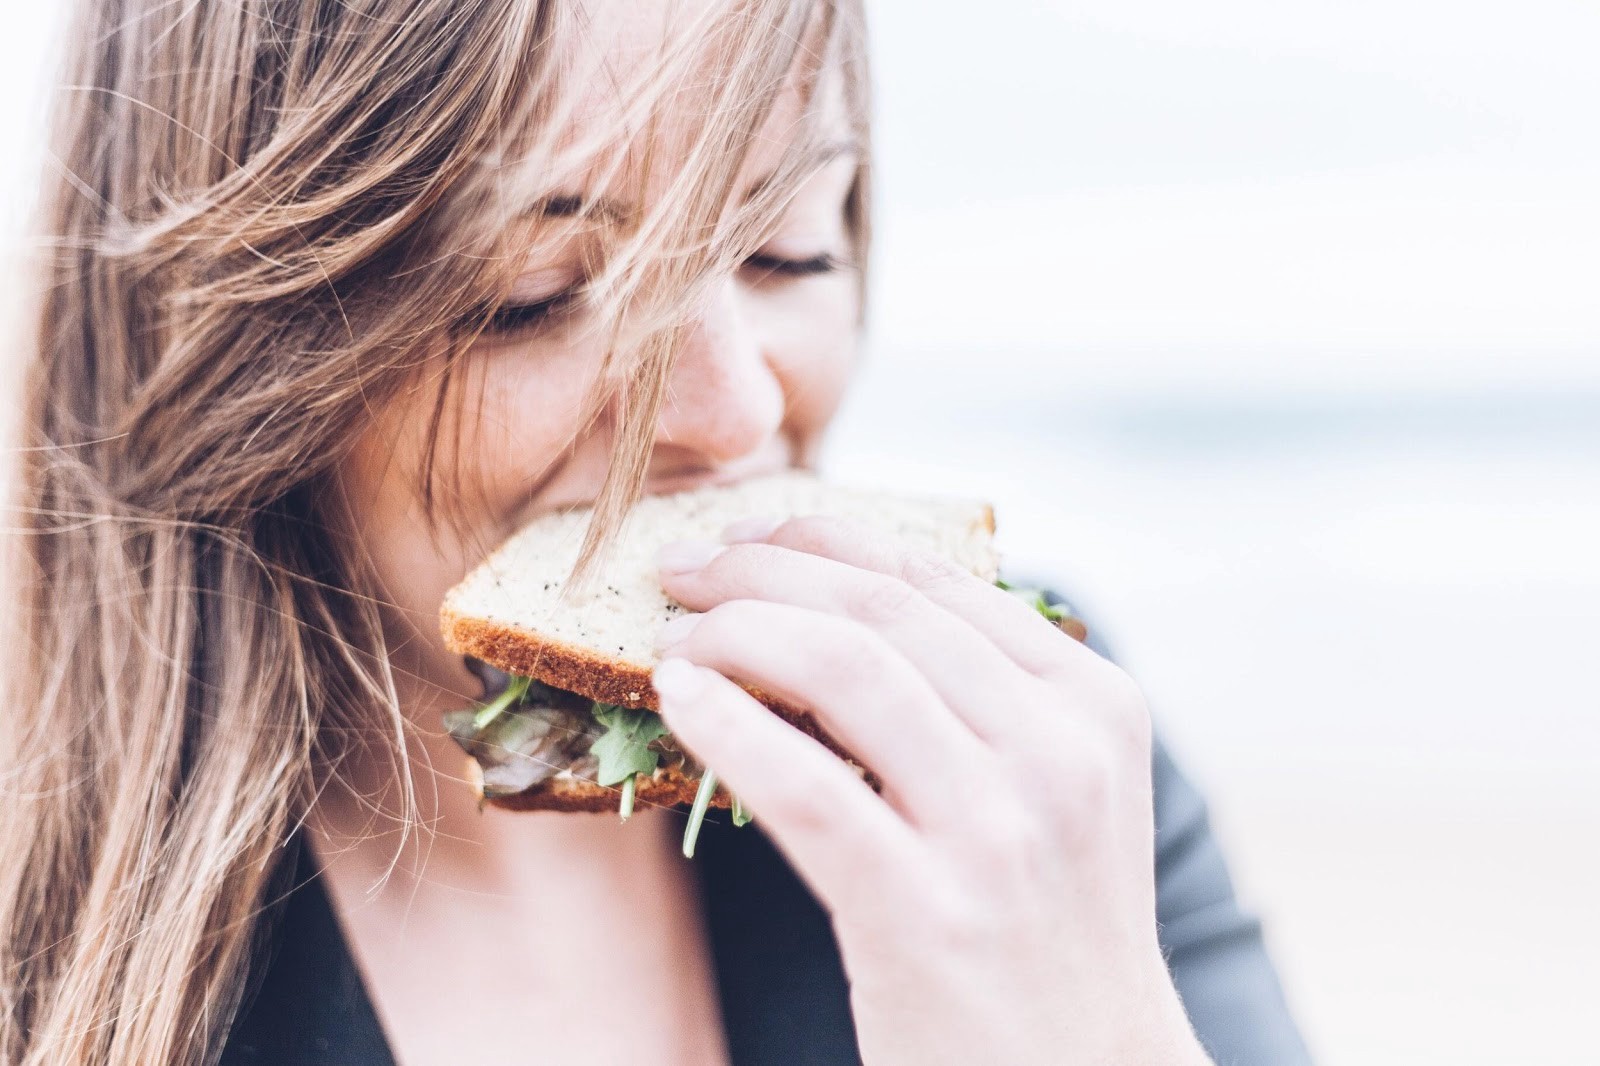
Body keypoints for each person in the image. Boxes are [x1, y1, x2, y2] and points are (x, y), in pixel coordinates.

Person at [0, 1, 1311, 1064]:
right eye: (538, 294)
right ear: (236, 349)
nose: (739, 409)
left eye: (790, 251)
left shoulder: (1033, 765)